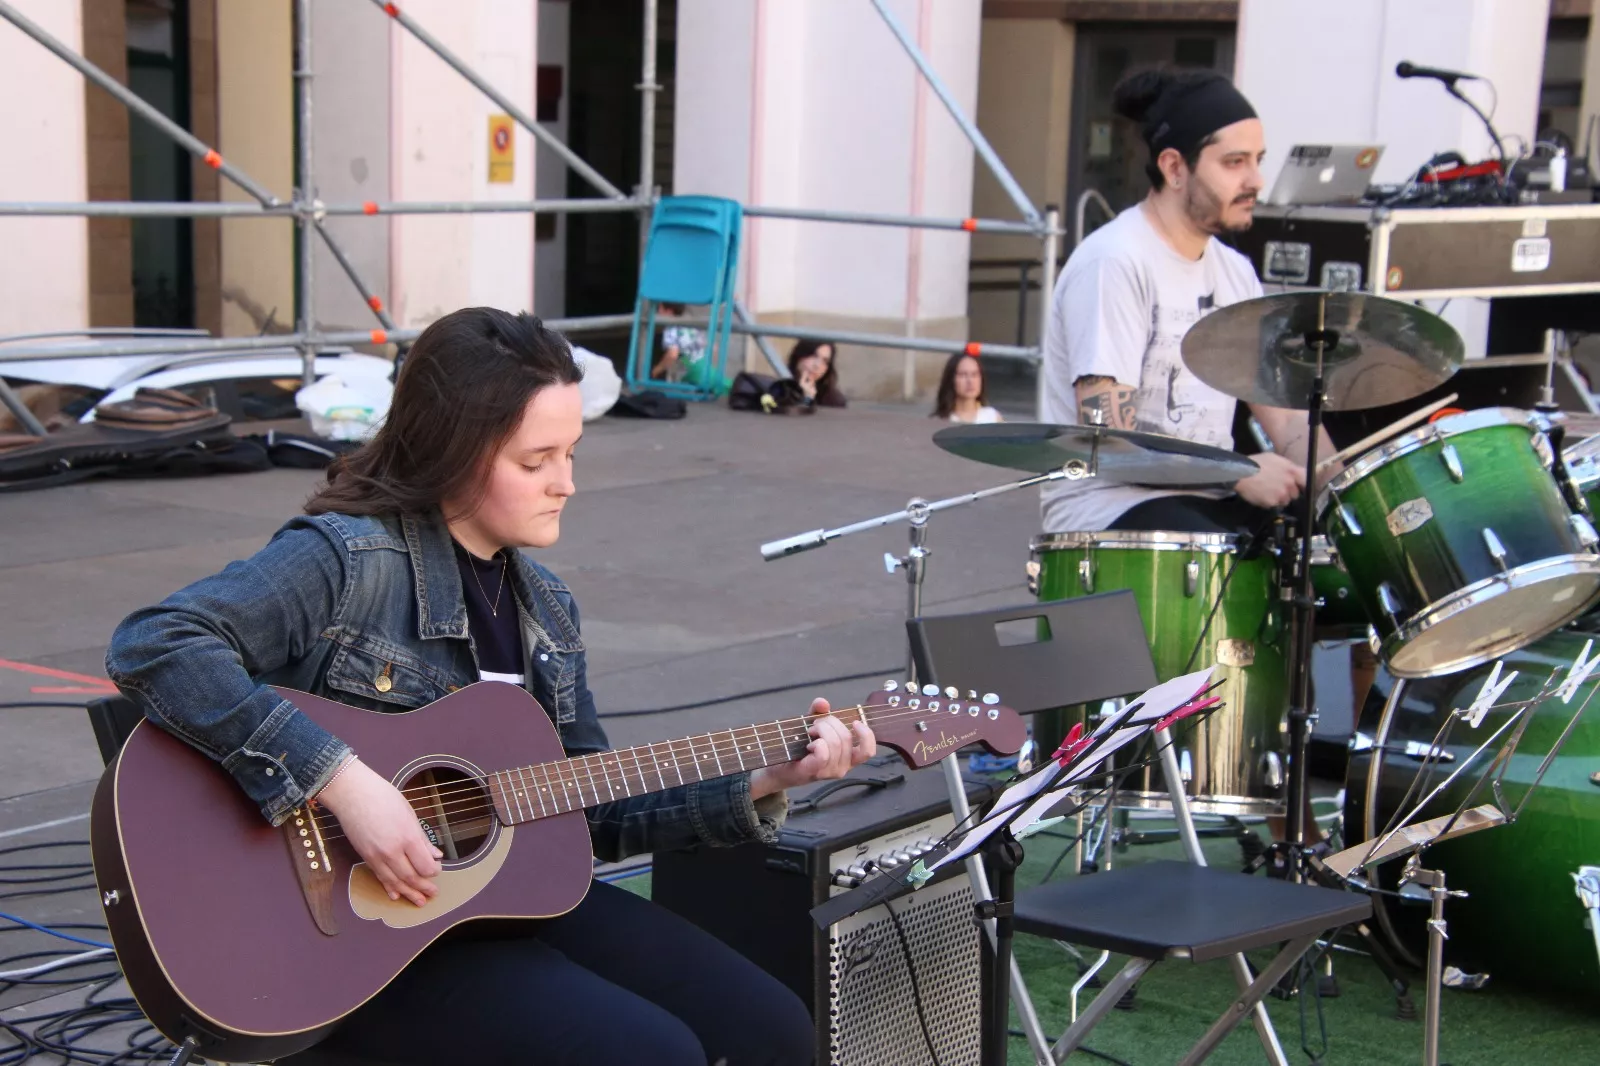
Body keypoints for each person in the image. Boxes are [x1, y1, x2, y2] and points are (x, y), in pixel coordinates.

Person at [104, 307, 877, 1066]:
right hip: (350, 935)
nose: (565, 484)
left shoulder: (548, 611)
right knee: (650, 1053)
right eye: (536, 461)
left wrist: (772, 774)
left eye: (572, 454)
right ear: (456, 451)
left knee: (774, 1029)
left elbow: (592, 812)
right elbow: (157, 643)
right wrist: (340, 780)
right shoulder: (349, 559)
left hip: (490, 907)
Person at [1040, 68, 1336, 538]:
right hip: (1110, 511)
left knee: (1327, 542)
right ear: (1174, 168)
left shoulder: (1235, 272)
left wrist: (1343, 483)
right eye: (1234, 162)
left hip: (1211, 498)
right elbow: (1110, 442)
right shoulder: (1114, 261)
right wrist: (1238, 471)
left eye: (1258, 160)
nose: (1256, 180)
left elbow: (1282, 415)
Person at [932, 352, 1002, 424]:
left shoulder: (992, 417)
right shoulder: (939, 421)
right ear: (951, 379)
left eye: (974, 374)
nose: (970, 381)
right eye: (963, 375)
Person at [650, 301, 708, 383]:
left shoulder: (671, 329)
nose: (658, 311)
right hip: (704, 371)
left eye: (660, 308)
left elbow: (672, 355)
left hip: (687, 375)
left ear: (669, 312)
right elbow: (710, 346)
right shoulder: (692, 325)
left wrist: (656, 370)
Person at [787, 339, 847, 408]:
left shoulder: (834, 400)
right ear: (799, 357)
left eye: (825, 361)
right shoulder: (777, 390)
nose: (817, 365)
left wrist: (808, 398)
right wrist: (806, 399)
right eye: (814, 356)